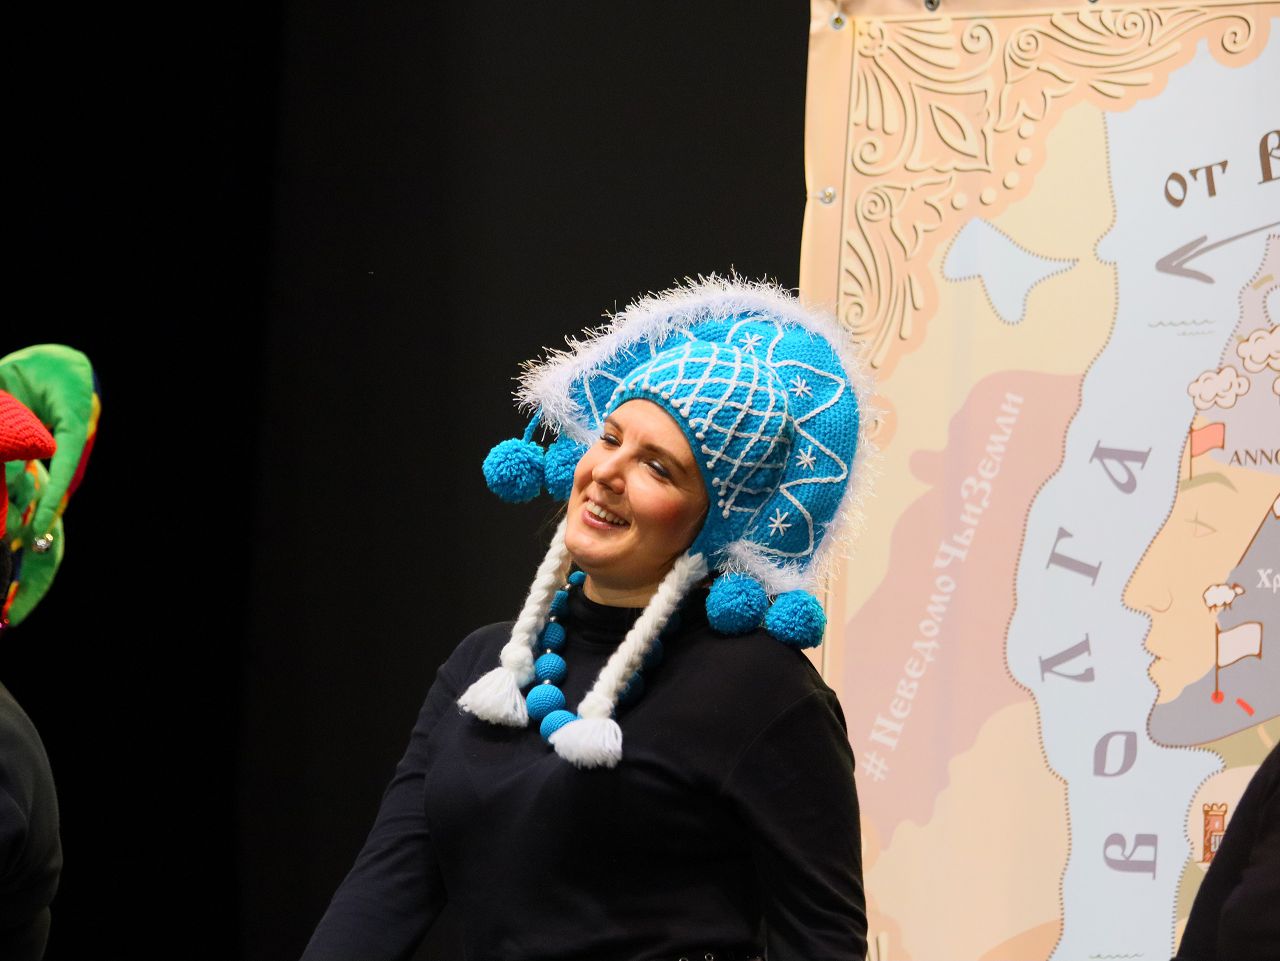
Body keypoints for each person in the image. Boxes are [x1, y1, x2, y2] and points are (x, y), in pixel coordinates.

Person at [303, 278, 873, 961]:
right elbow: (383, 892)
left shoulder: (761, 689)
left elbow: (824, 942)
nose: (606, 472)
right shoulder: (484, 664)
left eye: (658, 467)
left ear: (713, 520)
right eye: (610, 438)